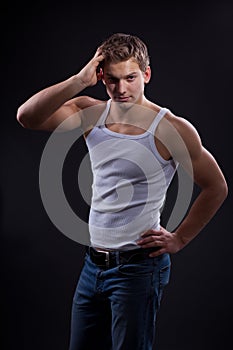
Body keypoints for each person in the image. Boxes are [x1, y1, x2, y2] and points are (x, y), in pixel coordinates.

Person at [16, 33, 228, 350]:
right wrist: (78, 80)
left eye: (130, 77)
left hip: (138, 270)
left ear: (146, 74)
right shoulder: (91, 114)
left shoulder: (170, 128)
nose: (122, 89)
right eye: (112, 80)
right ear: (101, 78)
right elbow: (27, 117)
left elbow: (216, 186)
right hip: (93, 266)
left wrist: (179, 238)